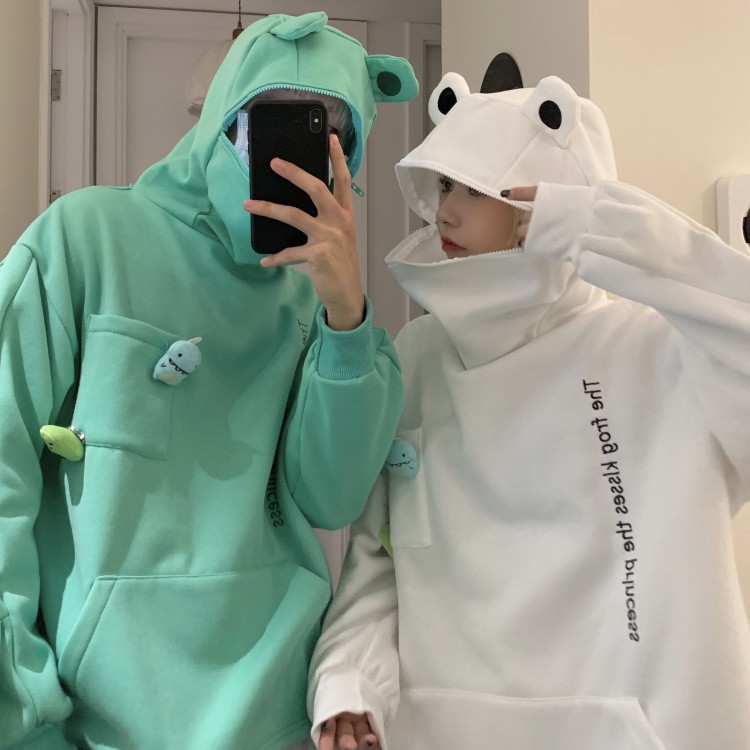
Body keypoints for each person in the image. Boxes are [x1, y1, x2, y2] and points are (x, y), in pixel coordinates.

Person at [0, 12, 418, 750]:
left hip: (279, 713)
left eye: (330, 133)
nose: (293, 157)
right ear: (222, 115)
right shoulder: (84, 239)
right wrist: (22, 706)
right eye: (268, 120)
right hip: (99, 721)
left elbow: (331, 498)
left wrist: (347, 320)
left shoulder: (314, 302)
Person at [307, 70, 750, 750]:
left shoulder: (660, 352)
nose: (444, 212)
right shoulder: (418, 353)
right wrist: (349, 686)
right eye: (444, 187)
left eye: (474, 189)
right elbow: (382, 556)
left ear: (544, 201)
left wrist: (590, 224)